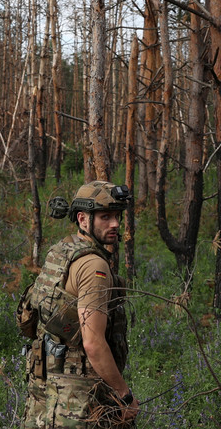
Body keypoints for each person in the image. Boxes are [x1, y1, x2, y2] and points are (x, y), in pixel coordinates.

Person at [20, 181, 140, 428]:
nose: (115, 223)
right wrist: (124, 395)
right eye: (105, 216)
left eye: (117, 216)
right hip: (78, 399)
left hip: (45, 388)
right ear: (83, 219)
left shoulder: (61, 251)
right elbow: (93, 343)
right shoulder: (94, 267)